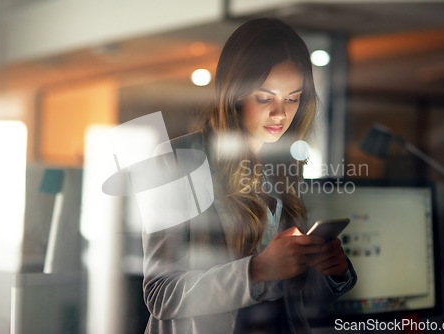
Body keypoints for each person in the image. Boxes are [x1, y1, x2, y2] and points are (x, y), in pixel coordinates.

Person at [142, 18, 357, 334]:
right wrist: (257, 270)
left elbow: (294, 297)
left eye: (293, 98)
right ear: (235, 94)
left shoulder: (287, 165)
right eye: (264, 97)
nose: (280, 113)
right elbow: (161, 295)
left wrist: (331, 270)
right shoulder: (178, 159)